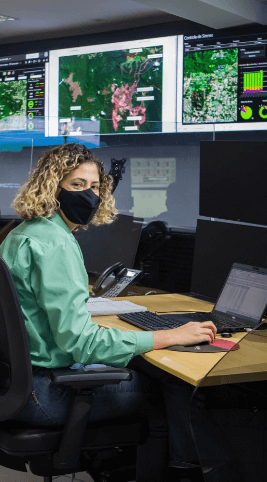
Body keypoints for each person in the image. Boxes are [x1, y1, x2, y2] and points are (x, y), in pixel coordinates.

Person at [0, 143, 216, 482]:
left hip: (14, 386)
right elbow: (82, 345)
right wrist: (170, 335)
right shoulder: (55, 244)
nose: (89, 195)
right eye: (77, 185)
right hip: (44, 393)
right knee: (171, 386)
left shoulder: (22, 235)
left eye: (96, 187)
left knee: (144, 367)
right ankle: (183, 475)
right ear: (52, 186)